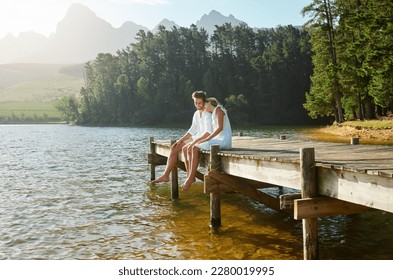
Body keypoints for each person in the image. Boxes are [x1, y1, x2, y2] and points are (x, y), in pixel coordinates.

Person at [151, 91, 213, 184]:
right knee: (174, 147)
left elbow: (208, 132)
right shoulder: (196, 114)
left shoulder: (207, 114)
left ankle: (190, 177)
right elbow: (192, 130)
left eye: (199, 103)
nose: (197, 105)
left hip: (204, 140)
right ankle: (165, 176)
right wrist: (180, 140)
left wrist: (194, 142)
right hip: (195, 138)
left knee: (186, 148)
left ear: (204, 101)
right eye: (195, 103)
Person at [181, 97, 232, 191]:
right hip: (217, 139)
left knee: (195, 147)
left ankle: (190, 178)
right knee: (192, 147)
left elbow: (220, 128)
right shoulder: (213, 113)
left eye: (205, 104)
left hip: (223, 139)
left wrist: (208, 138)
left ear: (210, 104)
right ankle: (190, 176)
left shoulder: (219, 110)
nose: (204, 106)